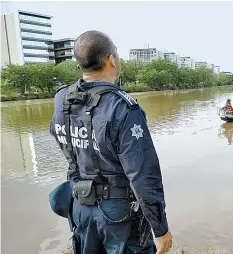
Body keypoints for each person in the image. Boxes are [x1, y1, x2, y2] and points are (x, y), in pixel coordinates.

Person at [49, 31, 172, 254]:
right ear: (111, 59)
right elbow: (143, 174)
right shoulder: (123, 107)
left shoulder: (62, 99)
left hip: (80, 206)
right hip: (118, 215)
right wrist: (160, 228)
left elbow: (62, 140)